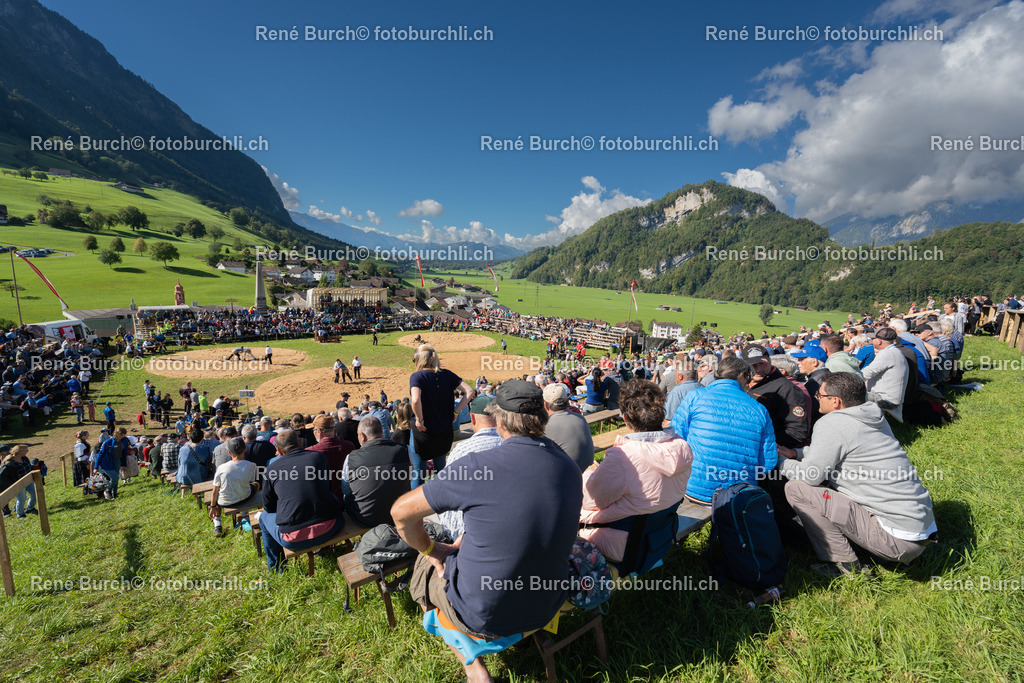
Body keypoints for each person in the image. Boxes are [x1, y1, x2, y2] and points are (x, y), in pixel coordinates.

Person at [391, 380, 582, 682]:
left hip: (486, 614)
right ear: (545, 413)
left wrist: (431, 551)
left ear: (500, 420)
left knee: (423, 569)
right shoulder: (569, 466)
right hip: (550, 599)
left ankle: (474, 669)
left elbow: (400, 513)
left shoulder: (476, 466)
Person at [778, 372, 938, 578]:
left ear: (835, 401)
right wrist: (796, 454)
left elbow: (810, 476)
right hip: (920, 529)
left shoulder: (831, 423)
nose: (817, 397)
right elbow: (833, 452)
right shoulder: (870, 415)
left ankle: (844, 565)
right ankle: (872, 545)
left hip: (898, 541)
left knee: (796, 488)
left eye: (819, 394)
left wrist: (781, 462)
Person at [579, 379, 693, 562]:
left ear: (625, 418)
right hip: (660, 534)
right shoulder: (683, 447)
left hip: (626, 544)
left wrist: (588, 473)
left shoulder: (623, 457)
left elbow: (589, 501)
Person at [669, 356, 777, 504]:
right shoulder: (759, 409)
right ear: (741, 376)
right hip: (738, 494)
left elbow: (675, 438)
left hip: (695, 488)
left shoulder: (695, 397)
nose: (749, 383)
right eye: (748, 378)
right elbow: (767, 463)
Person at [259, 429, 348, 571]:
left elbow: (269, 507)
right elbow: (327, 487)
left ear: (278, 450)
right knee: (329, 497)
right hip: (332, 526)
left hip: (293, 539)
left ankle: (277, 568)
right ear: (300, 443)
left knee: (263, 517)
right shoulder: (318, 457)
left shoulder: (272, 468)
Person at [435, 395, 503, 542]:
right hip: (505, 527)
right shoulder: (513, 444)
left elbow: (445, 494)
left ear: (472, 418)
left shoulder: (462, 450)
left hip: (467, 535)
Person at [409, 344, 475, 487]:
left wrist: (419, 419)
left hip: (423, 432)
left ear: (418, 360)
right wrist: (456, 411)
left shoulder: (417, 376)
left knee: (418, 473)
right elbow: (470, 391)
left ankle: (419, 506)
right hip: (444, 430)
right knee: (441, 471)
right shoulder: (448, 374)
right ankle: (441, 502)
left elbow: (415, 400)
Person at [341, 417, 411, 527]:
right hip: (400, 512)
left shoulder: (351, 458)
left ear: (362, 436)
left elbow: (346, 490)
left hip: (366, 519)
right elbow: (409, 477)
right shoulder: (405, 449)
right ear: (382, 432)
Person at [744, 344, 810, 449]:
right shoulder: (742, 383)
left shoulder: (786, 388)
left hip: (768, 452)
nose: (758, 369)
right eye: (753, 365)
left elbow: (797, 431)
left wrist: (762, 443)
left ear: (769, 362)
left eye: (762, 364)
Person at [209, 437, 259, 537]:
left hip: (225, 502)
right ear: (245, 449)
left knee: (218, 496)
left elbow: (215, 490)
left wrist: (213, 506)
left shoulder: (221, 468)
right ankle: (244, 514)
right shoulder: (252, 465)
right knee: (256, 484)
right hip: (245, 498)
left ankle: (217, 525)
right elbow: (251, 481)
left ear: (229, 452)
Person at [541, 383, 594, 471]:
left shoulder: (545, 426)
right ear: (567, 401)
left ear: (546, 405)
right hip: (588, 472)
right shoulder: (580, 418)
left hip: (569, 477)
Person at [863, 327, 909, 423]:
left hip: (886, 399)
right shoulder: (894, 351)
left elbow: (867, 373)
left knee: (851, 395)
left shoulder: (887, 354)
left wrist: (847, 378)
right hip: (893, 398)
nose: (871, 341)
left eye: (873, 339)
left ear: (879, 341)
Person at [307, 414, 353, 500]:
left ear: (319, 431)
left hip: (324, 501)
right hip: (345, 498)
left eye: (314, 430)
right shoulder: (348, 446)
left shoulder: (310, 451)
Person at [93, 428, 130, 499]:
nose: (122, 436)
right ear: (116, 433)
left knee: (116, 478)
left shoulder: (124, 441)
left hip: (117, 461)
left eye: (123, 435)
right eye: (120, 434)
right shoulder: (107, 442)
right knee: (115, 478)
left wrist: (124, 464)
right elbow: (100, 454)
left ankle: (114, 493)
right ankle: (107, 490)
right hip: (107, 462)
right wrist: (96, 467)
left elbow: (123, 453)